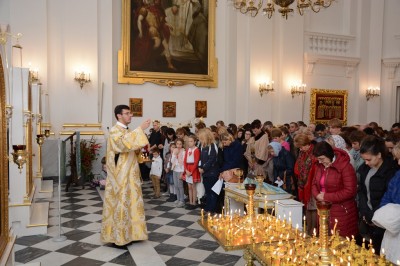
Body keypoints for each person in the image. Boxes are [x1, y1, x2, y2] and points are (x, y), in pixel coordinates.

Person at [101, 105, 151, 246]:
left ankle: (133, 233)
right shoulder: (114, 131)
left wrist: (138, 150)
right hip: (121, 176)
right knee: (122, 203)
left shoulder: (127, 130)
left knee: (132, 202)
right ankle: (119, 237)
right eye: (127, 113)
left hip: (131, 174)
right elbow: (122, 144)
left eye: (130, 113)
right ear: (119, 115)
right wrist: (140, 129)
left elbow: (132, 147)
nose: (130, 116)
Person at [358, 136, 397, 253]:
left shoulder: (391, 171)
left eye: (369, 159)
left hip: (382, 220)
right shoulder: (365, 169)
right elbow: (362, 192)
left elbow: (387, 197)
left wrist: (374, 215)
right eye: (364, 159)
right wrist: (365, 212)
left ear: (379, 155)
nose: (366, 162)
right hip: (367, 217)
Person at [312, 141, 358, 238]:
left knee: (339, 240)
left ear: (329, 155)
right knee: (324, 237)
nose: (320, 161)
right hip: (323, 208)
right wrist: (317, 195)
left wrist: (325, 196)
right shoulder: (320, 166)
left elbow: (350, 191)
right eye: (318, 159)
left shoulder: (345, 167)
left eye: (322, 159)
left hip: (341, 210)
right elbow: (314, 184)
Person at [294, 133, 317, 235]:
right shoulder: (303, 152)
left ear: (307, 144)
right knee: (307, 208)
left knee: (313, 209)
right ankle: (308, 230)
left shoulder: (314, 154)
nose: (301, 149)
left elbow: (313, 171)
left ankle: (313, 231)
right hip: (303, 184)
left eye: (302, 146)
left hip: (312, 185)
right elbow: (298, 167)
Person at [198, 128, 219, 213]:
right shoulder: (202, 145)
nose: (200, 140)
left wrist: (203, 168)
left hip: (212, 172)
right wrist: (199, 166)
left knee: (212, 192)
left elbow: (212, 159)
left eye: (202, 138)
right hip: (204, 172)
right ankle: (208, 207)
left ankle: (211, 208)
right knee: (207, 191)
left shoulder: (213, 145)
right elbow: (199, 158)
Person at [183, 135, 201, 209]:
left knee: (193, 187)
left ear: (195, 142)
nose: (189, 143)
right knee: (189, 187)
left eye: (191, 141)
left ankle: (194, 203)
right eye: (188, 141)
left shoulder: (196, 150)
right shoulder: (187, 150)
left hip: (193, 169)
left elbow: (196, 162)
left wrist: (191, 171)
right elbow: (184, 161)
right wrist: (186, 170)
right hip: (188, 168)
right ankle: (190, 202)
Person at [171, 138, 186, 207]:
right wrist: (174, 154)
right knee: (176, 185)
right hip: (175, 170)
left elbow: (183, 161)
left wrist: (183, 172)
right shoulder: (175, 150)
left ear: (182, 144)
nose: (179, 145)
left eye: (180, 144)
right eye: (177, 144)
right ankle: (178, 198)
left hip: (181, 170)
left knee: (180, 186)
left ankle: (182, 200)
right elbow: (172, 161)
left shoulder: (183, 151)